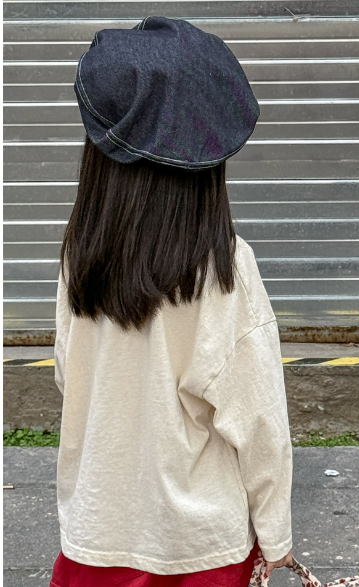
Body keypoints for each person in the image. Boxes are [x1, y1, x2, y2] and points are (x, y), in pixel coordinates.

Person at [49, 16, 293, 587]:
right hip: (199, 548)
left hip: (96, 534)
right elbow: (257, 415)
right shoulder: (223, 267)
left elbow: (69, 373)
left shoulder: (81, 252)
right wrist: (275, 531)